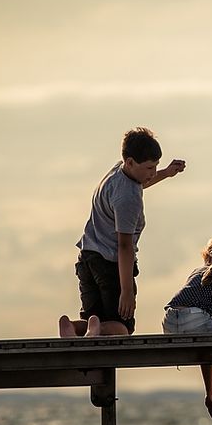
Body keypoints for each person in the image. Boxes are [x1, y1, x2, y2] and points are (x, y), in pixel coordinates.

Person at [58, 127, 185, 338]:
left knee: (94, 322)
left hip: (88, 258)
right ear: (130, 162)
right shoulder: (128, 200)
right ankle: (91, 329)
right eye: (149, 168)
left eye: (155, 167)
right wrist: (126, 292)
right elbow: (124, 246)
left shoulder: (118, 173)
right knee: (121, 329)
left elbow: (138, 183)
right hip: (110, 265)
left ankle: (73, 328)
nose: (152, 173)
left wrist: (166, 173)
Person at [162, 237, 212, 424]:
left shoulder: (196, 271)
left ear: (206, 257)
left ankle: (211, 392)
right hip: (196, 319)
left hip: (169, 321)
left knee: (209, 336)